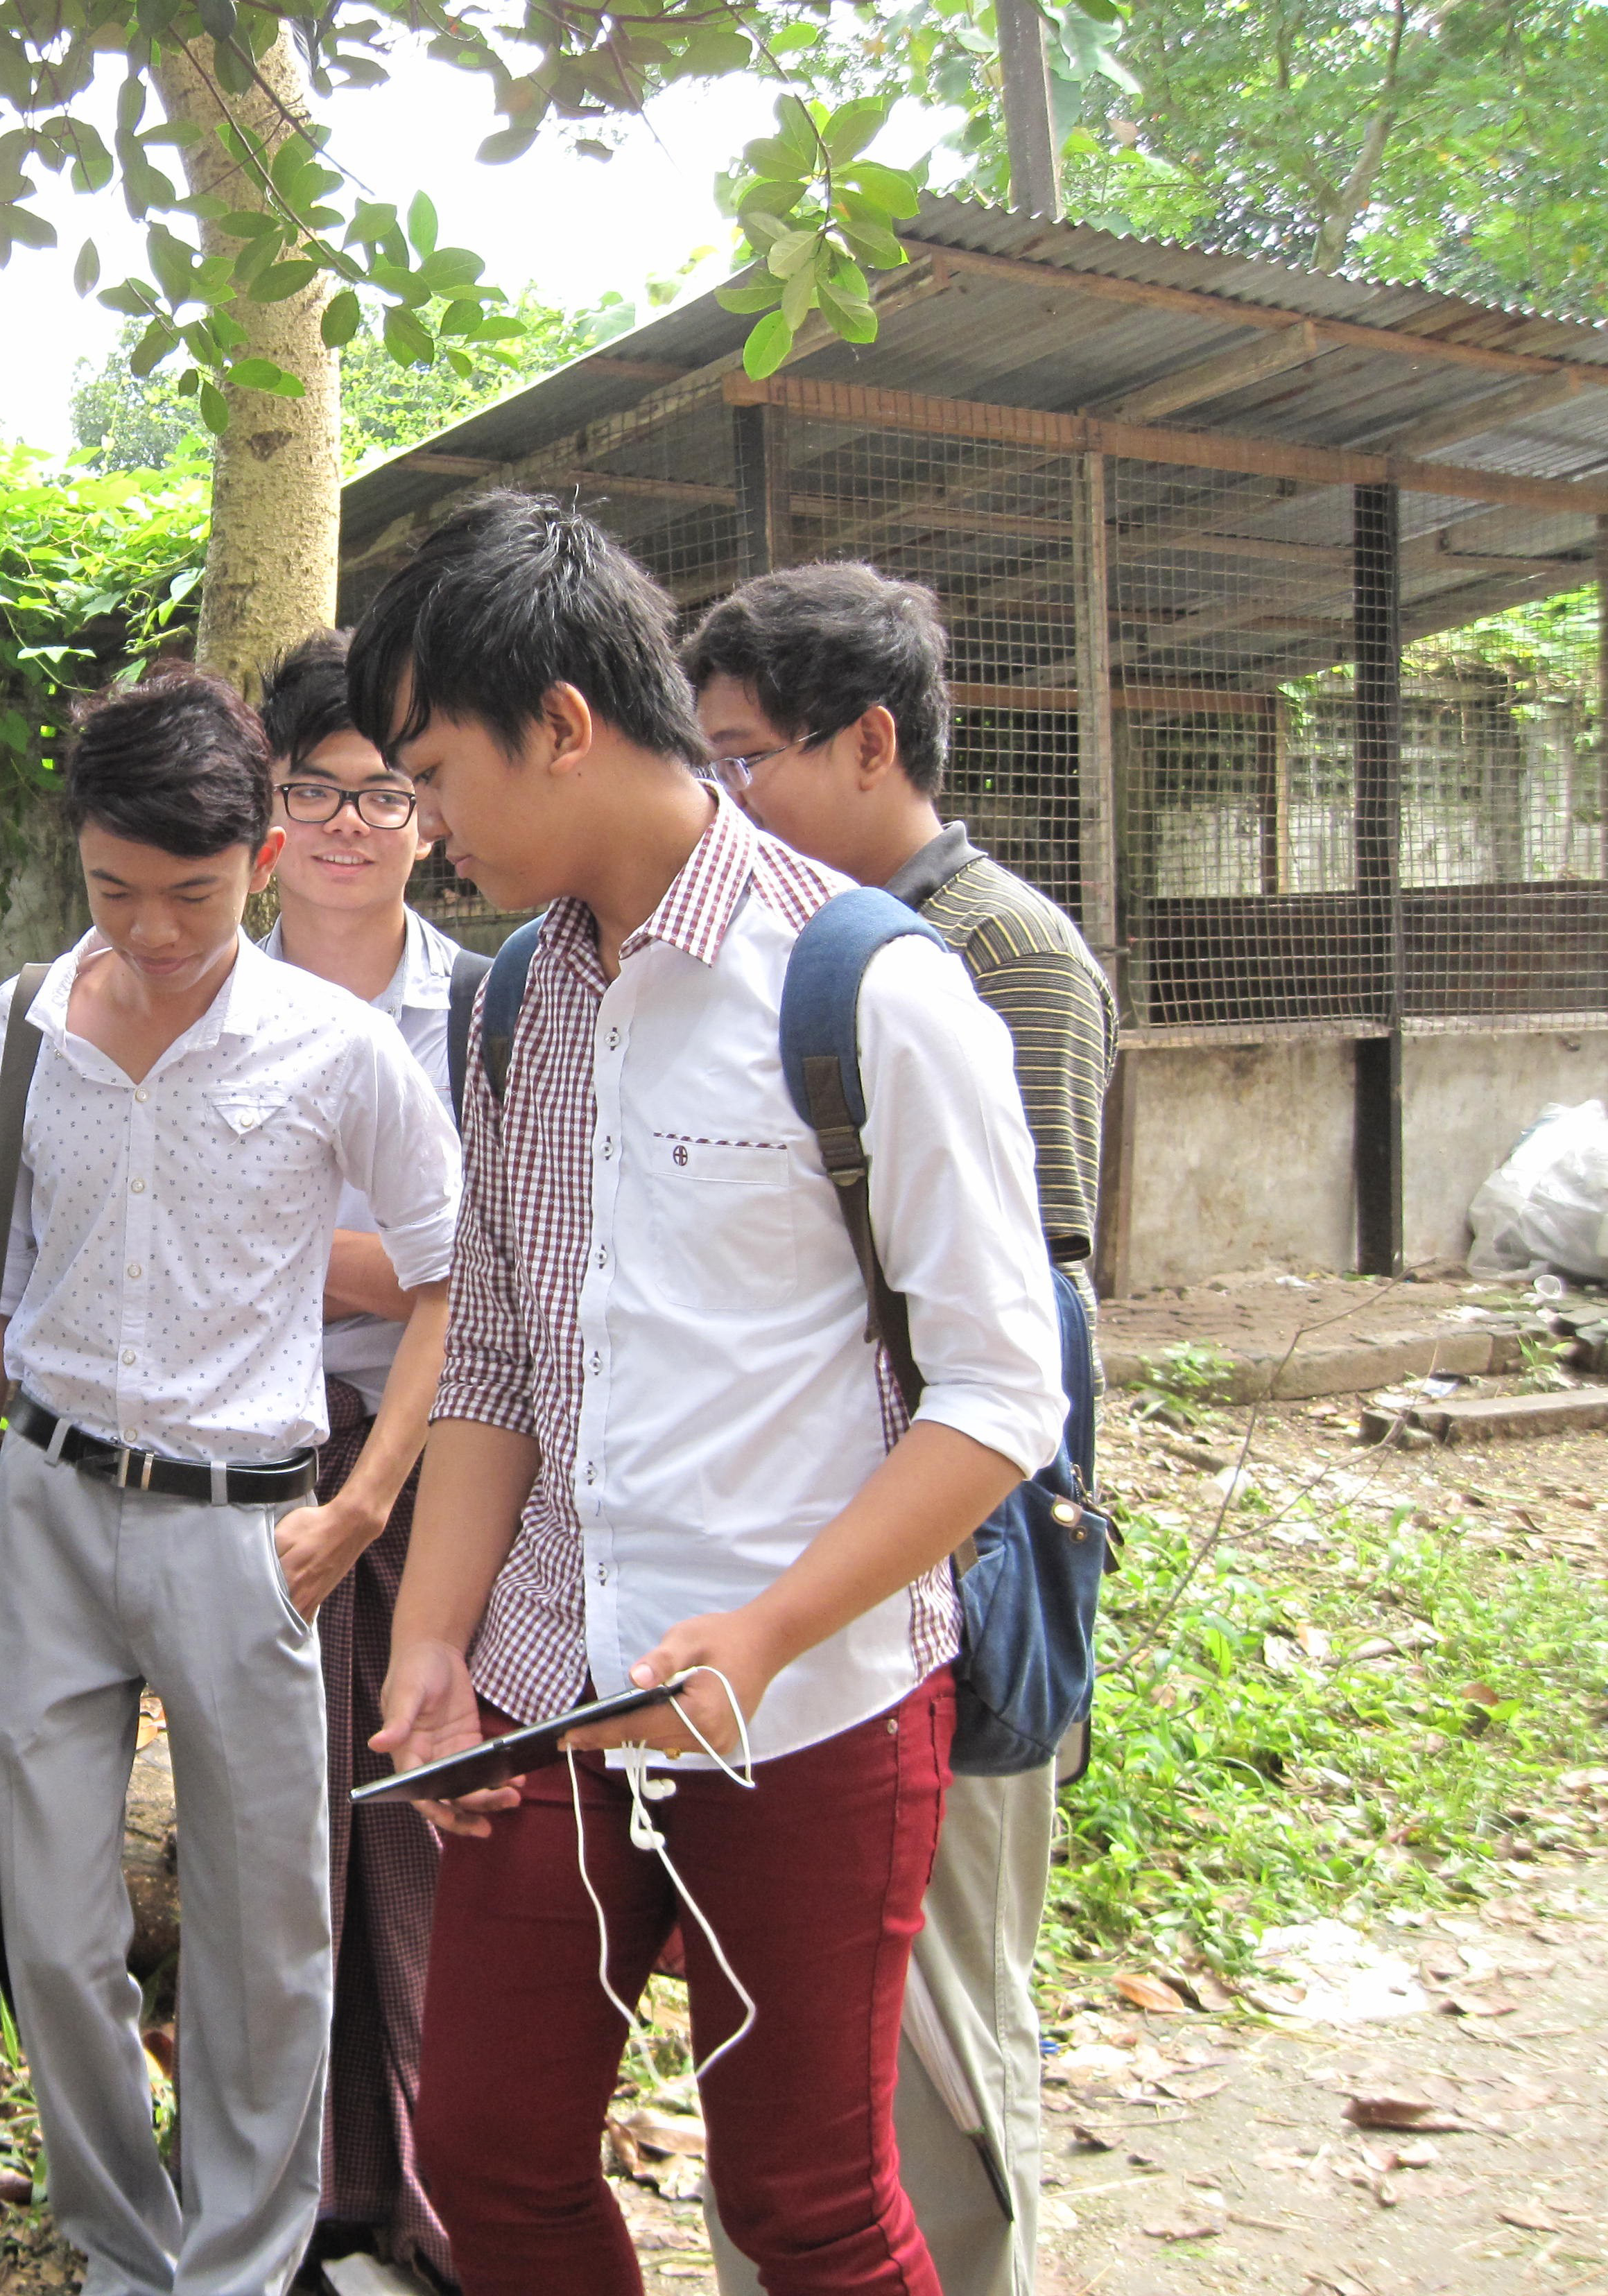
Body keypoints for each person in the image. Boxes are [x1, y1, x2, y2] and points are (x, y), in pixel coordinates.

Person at [349, 491, 1068, 2296]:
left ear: (567, 727)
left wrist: (762, 1629)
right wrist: (434, 1646)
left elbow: (998, 1395)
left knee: (808, 2208)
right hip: (551, 1698)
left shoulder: (871, 990)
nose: (422, 828)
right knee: (493, 2161)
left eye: (434, 773)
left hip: (806, 1708)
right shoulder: (518, 1002)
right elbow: (501, 1353)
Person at [0, 668, 462, 2296]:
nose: (152, 931)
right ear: (73, 859)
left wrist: (368, 1499)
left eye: (190, 893)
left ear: (263, 857)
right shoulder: (24, 1029)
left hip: (252, 1531)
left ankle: (235, 2266)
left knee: (264, 1936)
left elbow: (458, 1271)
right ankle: (117, 2250)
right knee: (55, 1928)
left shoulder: (335, 1046)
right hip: (44, 1510)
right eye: (113, 890)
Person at [686, 560, 1118, 2296]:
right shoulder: (755, 948)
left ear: (870, 744)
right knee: (796, 2058)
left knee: (941, 2041)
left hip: (956, 1567)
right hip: (797, 1583)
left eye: (744, 756)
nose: (720, 800)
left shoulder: (997, 954)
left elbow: (1035, 1331)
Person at [252, 629, 462, 2290]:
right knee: (277, 1831)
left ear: (427, 814)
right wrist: (380, 1248)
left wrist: (267, 1230)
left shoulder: (481, 1003)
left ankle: (443, 2180)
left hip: (433, 1442)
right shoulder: (194, 981)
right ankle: (308, 2195)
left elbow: (485, 1265)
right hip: (245, 1453)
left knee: (421, 1800)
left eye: (380, 791)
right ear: (267, 812)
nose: (345, 824)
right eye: (312, 792)